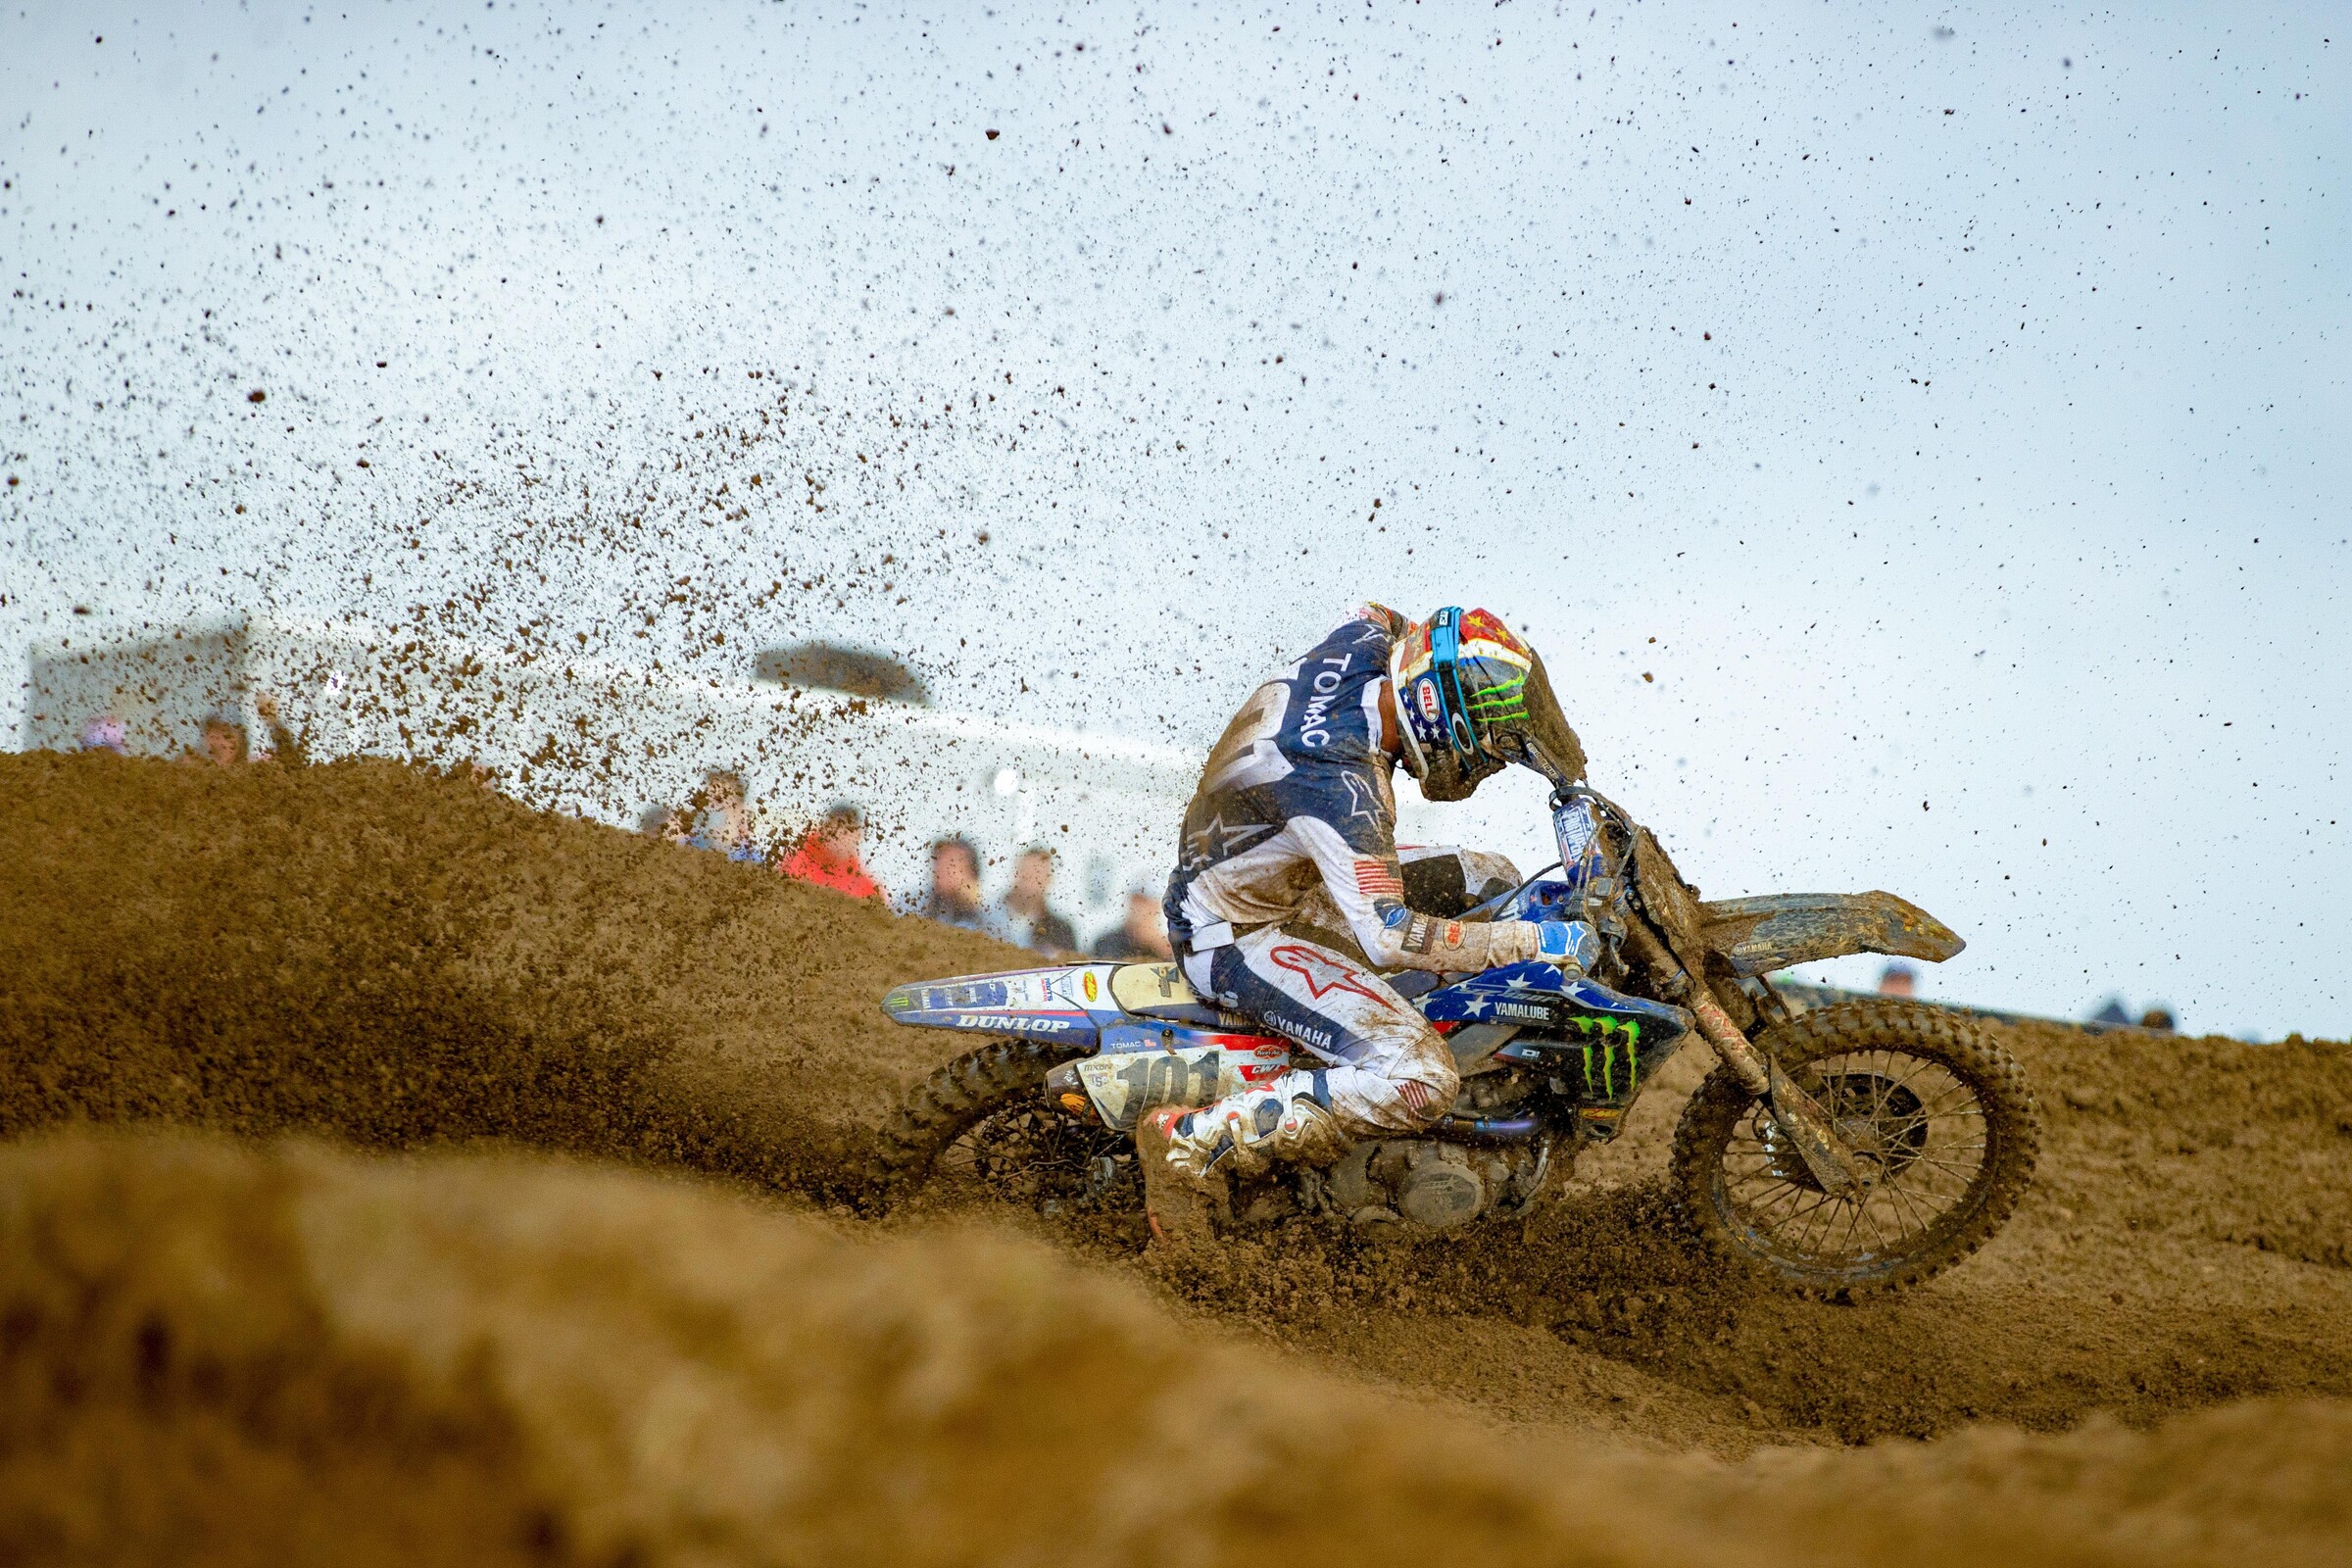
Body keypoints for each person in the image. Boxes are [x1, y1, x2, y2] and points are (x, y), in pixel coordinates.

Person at [1141, 602, 1652, 1236]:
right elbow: (1391, 936)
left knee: (1489, 873)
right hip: (1240, 933)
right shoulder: (1345, 787)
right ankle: (1193, 1142)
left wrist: (1546, 755)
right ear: (1445, 725)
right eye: (1488, 744)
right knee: (1421, 1077)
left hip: (1276, 871)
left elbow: (1384, 615)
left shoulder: (1364, 646)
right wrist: (1537, 941)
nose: (1490, 759)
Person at [777, 803, 884, 902]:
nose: (842, 835)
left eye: (849, 829)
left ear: (859, 835)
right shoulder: (799, 861)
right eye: (837, 827)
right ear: (824, 829)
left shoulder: (865, 887)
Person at [996, 847, 1077, 956]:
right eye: (1026, 875)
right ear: (1015, 875)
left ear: (1048, 881)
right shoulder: (985, 917)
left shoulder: (1060, 931)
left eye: (1037, 877)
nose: (1030, 884)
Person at [686, 769, 763, 864]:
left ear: (739, 808)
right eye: (709, 799)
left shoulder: (750, 859)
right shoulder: (690, 847)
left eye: (720, 800)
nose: (713, 807)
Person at [921, 837, 989, 930]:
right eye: (938, 861)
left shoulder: (993, 922)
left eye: (950, 863)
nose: (940, 869)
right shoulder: (915, 906)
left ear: (971, 873)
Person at [1092, 888, 1176, 961]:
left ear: (1156, 906)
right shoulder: (1109, 941)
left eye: (1144, 901)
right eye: (1136, 900)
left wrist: (1156, 944)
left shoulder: (1162, 943)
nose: (1139, 908)